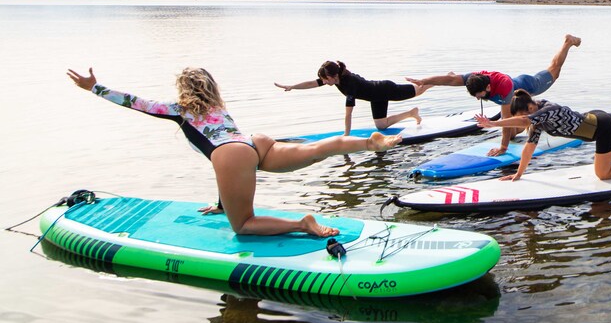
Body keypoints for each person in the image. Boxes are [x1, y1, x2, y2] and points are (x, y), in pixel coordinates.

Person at [68, 66, 401, 238]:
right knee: (316, 149)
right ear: (210, 88)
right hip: (257, 143)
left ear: (184, 91)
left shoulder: (178, 109)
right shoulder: (217, 108)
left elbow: (133, 102)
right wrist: (219, 203)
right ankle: (368, 142)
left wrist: (93, 87)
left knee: (243, 225)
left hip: (234, 154)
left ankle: (303, 224)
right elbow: (230, 167)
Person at [408, 34, 582, 155]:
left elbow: (506, 122)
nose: (477, 98)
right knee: (512, 132)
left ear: (489, 88)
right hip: (513, 97)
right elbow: (450, 79)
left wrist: (503, 149)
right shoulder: (474, 79)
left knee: (554, 70)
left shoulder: (504, 88)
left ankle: (567, 42)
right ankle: (530, 125)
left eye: (479, 95)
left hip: (528, 85)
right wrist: (424, 80)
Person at [473, 89, 611, 181]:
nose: (520, 121)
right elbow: (529, 148)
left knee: (603, 174)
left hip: (602, 129)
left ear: (529, 106)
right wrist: (519, 174)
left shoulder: (548, 109)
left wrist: (493, 123)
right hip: (597, 118)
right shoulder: (538, 120)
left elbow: (524, 121)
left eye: (521, 114)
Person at [275, 61, 426, 135]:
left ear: (333, 76)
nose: (324, 82)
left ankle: (442, 80)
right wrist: (292, 86)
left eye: (325, 79)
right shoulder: (336, 78)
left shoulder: (349, 85)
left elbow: (348, 114)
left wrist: (346, 136)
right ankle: (412, 113)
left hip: (385, 89)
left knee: (420, 89)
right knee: (381, 125)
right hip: (376, 98)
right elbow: (311, 83)